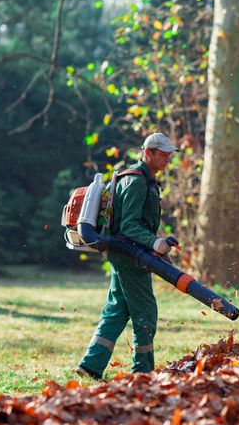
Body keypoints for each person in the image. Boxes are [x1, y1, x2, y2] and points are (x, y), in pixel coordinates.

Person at [76, 132, 178, 380]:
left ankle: (90, 365)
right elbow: (129, 226)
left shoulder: (144, 178)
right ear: (148, 153)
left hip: (124, 252)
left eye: (168, 155)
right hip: (129, 255)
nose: (167, 159)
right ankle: (142, 373)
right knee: (145, 313)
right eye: (162, 154)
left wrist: (158, 242)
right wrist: (154, 241)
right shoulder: (136, 181)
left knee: (117, 309)